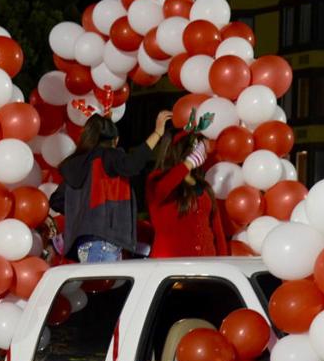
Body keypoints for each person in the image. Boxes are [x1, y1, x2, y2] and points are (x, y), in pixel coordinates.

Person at [54, 109, 168, 262]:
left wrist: (82, 213)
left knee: (95, 285)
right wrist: (157, 133)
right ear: (115, 140)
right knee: (102, 286)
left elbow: (56, 201)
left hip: (84, 245)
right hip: (104, 243)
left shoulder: (76, 165)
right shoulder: (108, 157)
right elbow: (132, 164)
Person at [146, 114, 230, 258]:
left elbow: (217, 231)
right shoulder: (157, 179)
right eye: (195, 146)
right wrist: (188, 164)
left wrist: (224, 263)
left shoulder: (203, 185)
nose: (201, 151)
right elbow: (162, 190)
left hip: (206, 265)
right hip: (173, 267)